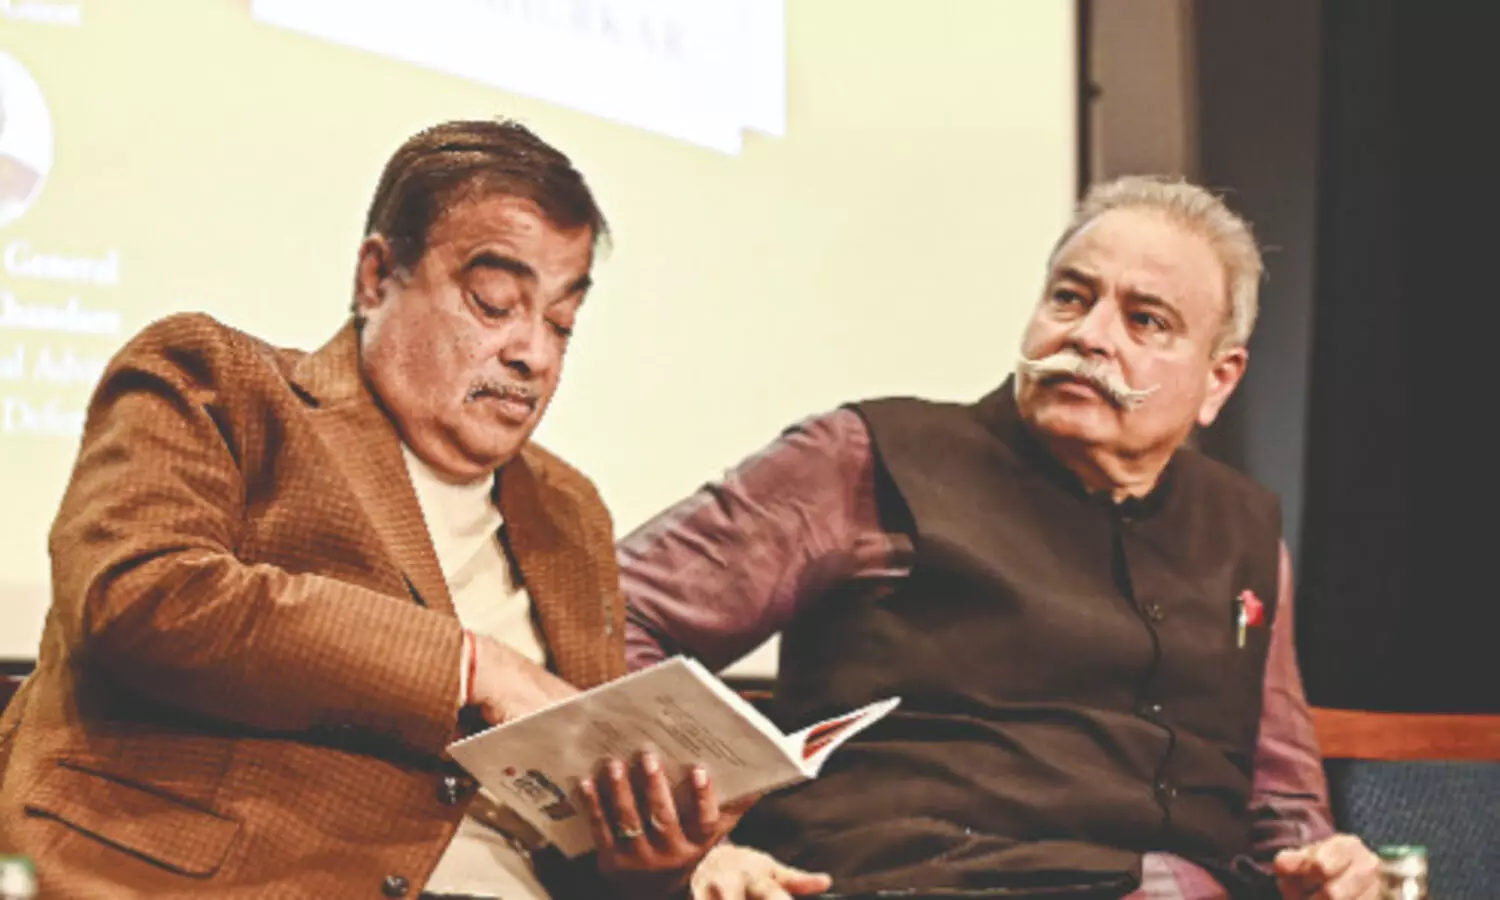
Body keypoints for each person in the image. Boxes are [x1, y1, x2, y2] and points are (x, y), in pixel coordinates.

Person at [0, 119, 731, 899]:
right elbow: (142, 597)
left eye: (561, 322)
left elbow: (581, 836)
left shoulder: (569, 514)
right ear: (377, 277)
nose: (535, 354)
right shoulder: (219, 382)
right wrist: (470, 667)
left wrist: (647, 866)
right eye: (494, 304)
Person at [621, 176, 1382, 900]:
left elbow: (1282, 802)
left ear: (1219, 380)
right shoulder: (863, 460)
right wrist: (698, 842)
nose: (1087, 335)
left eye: (1145, 320)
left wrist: (1323, 864)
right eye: (1070, 297)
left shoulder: (1246, 536)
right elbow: (610, 616)